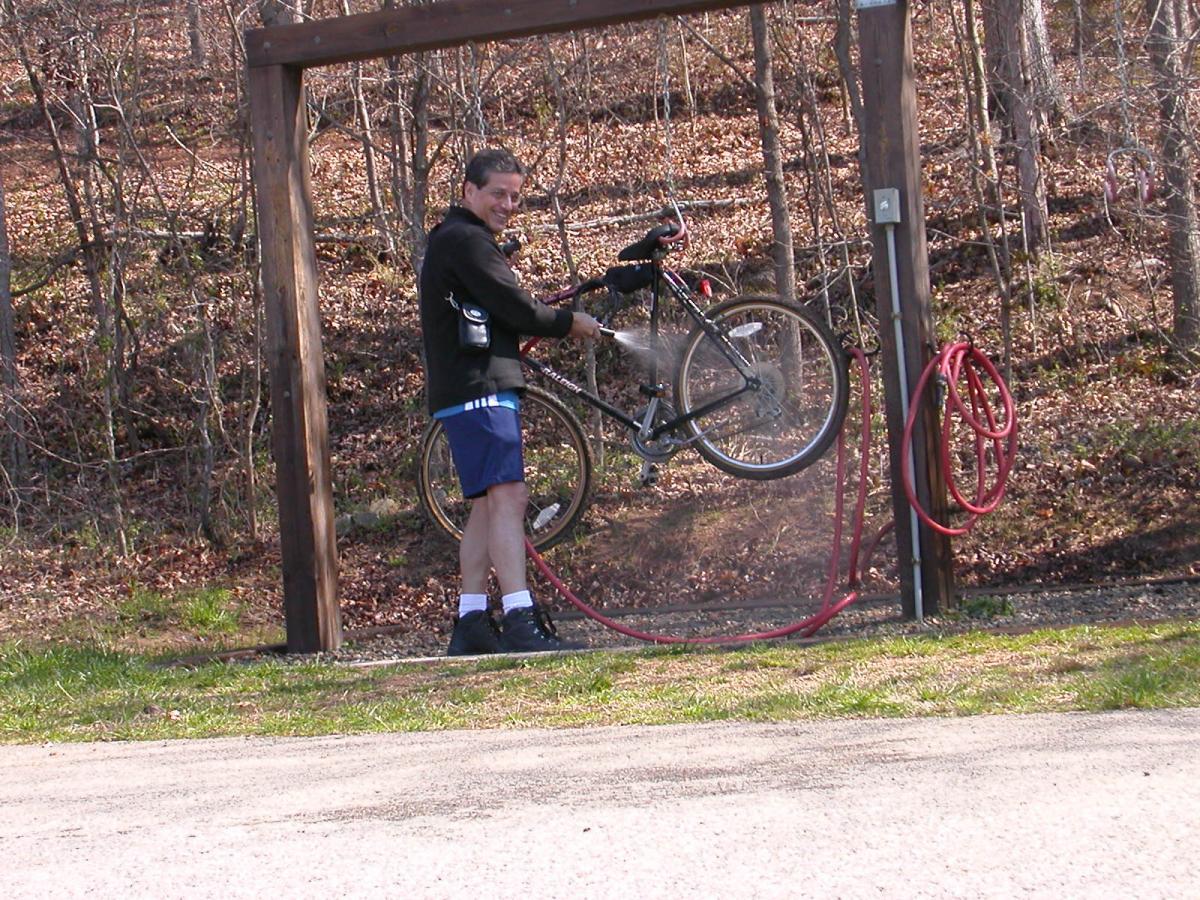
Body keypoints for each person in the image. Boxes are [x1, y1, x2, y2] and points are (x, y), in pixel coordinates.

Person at [419, 148, 601, 655]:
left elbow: (495, 302)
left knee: (485, 504)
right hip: (479, 388)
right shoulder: (465, 241)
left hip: (469, 388)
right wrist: (569, 324)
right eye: (498, 193)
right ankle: (520, 616)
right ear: (468, 191)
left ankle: (471, 622)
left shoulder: (459, 242)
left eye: (515, 196)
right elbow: (514, 306)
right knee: (509, 496)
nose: (508, 205)